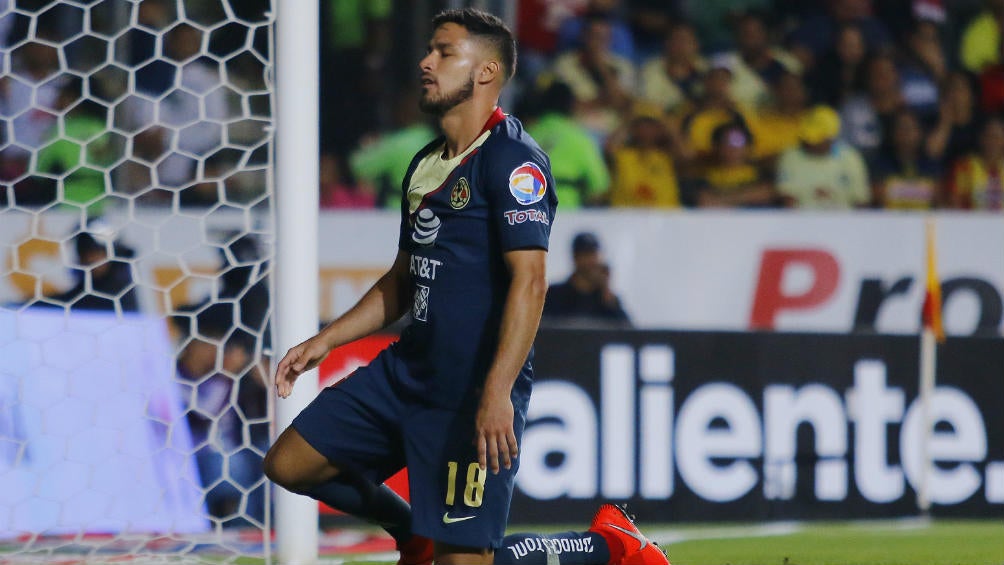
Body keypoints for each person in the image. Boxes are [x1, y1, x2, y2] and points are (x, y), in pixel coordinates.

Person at [263, 9, 667, 565]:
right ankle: (412, 532)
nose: (426, 62)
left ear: (486, 71)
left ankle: (607, 546)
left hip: (472, 389)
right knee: (290, 464)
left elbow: (531, 283)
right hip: (407, 373)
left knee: (467, 561)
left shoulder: (513, 161)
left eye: (445, 52)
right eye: (430, 50)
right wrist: (326, 339)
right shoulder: (425, 164)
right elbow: (405, 277)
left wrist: (497, 392)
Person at [776, 105, 871, 209]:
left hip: (844, 222)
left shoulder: (850, 157)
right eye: (807, 136)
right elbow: (787, 200)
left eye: (817, 137)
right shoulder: (791, 156)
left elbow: (861, 201)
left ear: (831, 137)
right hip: (802, 222)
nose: (810, 142)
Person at [33, 220, 139, 313]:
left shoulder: (119, 289)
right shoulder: (87, 286)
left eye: (97, 253)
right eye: (85, 254)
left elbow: (87, 303)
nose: (91, 260)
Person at [542, 232, 632, 326]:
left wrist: (608, 294)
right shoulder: (554, 295)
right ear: (575, 258)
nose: (591, 261)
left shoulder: (606, 299)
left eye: (594, 255)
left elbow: (628, 333)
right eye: (585, 255)